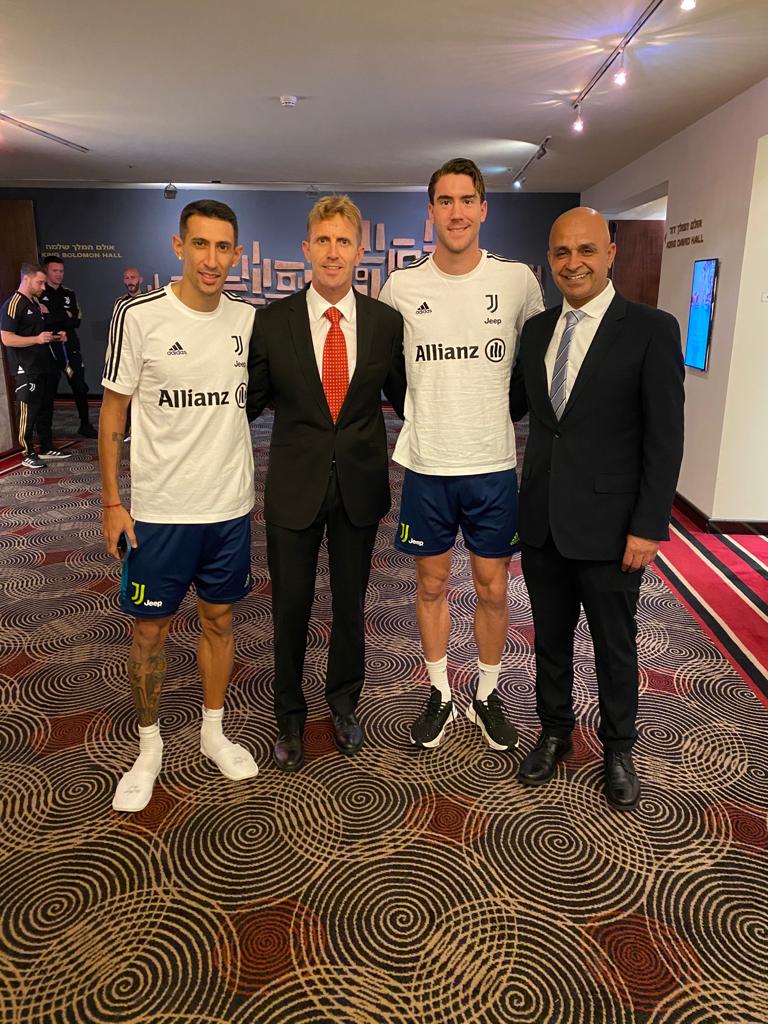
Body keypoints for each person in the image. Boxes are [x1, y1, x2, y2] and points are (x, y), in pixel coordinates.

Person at [510, 207, 684, 810]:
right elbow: (528, 415)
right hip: (542, 521)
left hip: (613, 529)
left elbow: (665, 438)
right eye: (561, 252)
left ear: (611, 253)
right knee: (549, 640)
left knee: (615, 645)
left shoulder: (651, 330)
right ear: (549, 260)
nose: (573, 263)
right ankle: (555, 731)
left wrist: (649, 526)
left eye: (586, 250)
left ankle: (618, 748)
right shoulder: (537, 331)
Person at [378, 158, 544, 752]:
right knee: (430, 584)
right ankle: (441, 692)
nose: (456, 212)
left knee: (494, 588)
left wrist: (499, 411)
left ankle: (488, 694)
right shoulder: (401, 287)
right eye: (445, 201)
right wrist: (423, 412)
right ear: (430, 212)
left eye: (466, 200)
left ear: (483, 208)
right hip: (428, 464)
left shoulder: (517, 281)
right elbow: (391, 373)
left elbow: (534, 362)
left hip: (492, 463)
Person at [100, 199, 259, 812]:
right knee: (150, 632)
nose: (211, 260)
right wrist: (113, 502)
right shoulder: (139, 316)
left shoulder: (247, 319)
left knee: (220, 621)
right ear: (178, 246)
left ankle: (213, 731)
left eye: (222, 248)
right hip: (160, 513)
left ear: (235, 254)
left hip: (228, 508)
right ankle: (149, 746)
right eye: (200, 244)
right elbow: (112, 413)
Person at [247, 195, 406, 772]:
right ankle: (289, 714)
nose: (333, 252)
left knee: (350, 603)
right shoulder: (273, 321)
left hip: (359, 486)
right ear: (306, 249)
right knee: (289, 605)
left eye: (344, 241)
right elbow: (247, 402)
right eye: (323, 240)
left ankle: (343, 702)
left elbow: (407, 400)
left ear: (359, 251)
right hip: (294, 486)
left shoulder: (385, 323)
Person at [0, 263, 70, 469]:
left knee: (44, 407)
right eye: (40, 282)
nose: (43, 287)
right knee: (28, 409)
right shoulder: (13, 304)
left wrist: (55, 337)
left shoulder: (34, 303)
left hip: (42, 364)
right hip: (25, 367)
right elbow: (7, 338)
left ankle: (46, 446)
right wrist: (37, 339)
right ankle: (26, 452)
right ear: (26, 279)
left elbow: (37, 335)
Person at [40, 256, 97, 438]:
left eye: (61, 271)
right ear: (46, 271)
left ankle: (85, 424)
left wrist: (52, 316)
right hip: (49, 349)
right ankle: (46, 432)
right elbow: (42, 321)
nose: (59, 274)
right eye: (54, 271)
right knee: (48, 391)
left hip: (70, 347)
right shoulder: (39, 293)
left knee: (80, 386)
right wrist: (64, 316)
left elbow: (76, 320)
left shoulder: (69, 294)